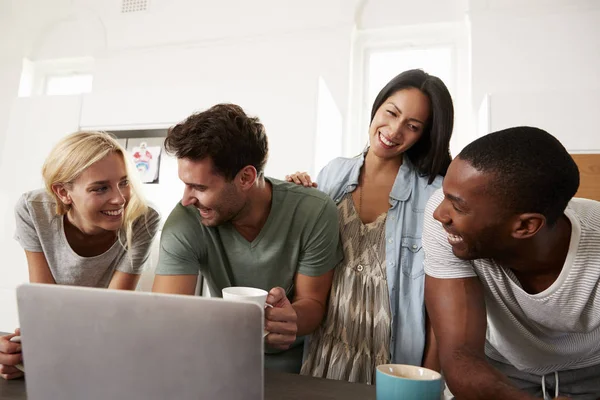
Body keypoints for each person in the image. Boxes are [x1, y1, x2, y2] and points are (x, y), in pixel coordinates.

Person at [287, 69, 454, 383]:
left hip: (391, 360)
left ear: (424, 135)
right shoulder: (333, 173)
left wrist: (428, 381)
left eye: (413, 126)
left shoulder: (435, 194)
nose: (393, 130)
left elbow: (441, 305)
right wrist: (294, 197)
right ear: (377, 106)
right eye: (391, 113)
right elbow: (305, 256)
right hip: (325, 345)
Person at [152, 103, 343, 373]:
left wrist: (291, 319)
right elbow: (166, 316)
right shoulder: (185, 220)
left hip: (303, 367)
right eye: (185, 184)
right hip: (221, 360)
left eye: (199, 187)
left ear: (246, 177)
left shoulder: (314, 210)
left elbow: (313, 304)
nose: (186, 199)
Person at [424, 126, 600, 400]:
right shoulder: (450, 229)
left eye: (458, 206)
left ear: (526, 225)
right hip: (496, 371)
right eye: (446, 195)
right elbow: (460, 355)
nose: (439, 213)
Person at [0, 131, 161, 380]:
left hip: (110, 337)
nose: (120, 199)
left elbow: (111, 311)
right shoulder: (33, 209)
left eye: (124, 182)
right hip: (66, 336)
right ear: (63, 193)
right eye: (100, 188)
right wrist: (24, 352)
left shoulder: (143, 219)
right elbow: (45, 303)